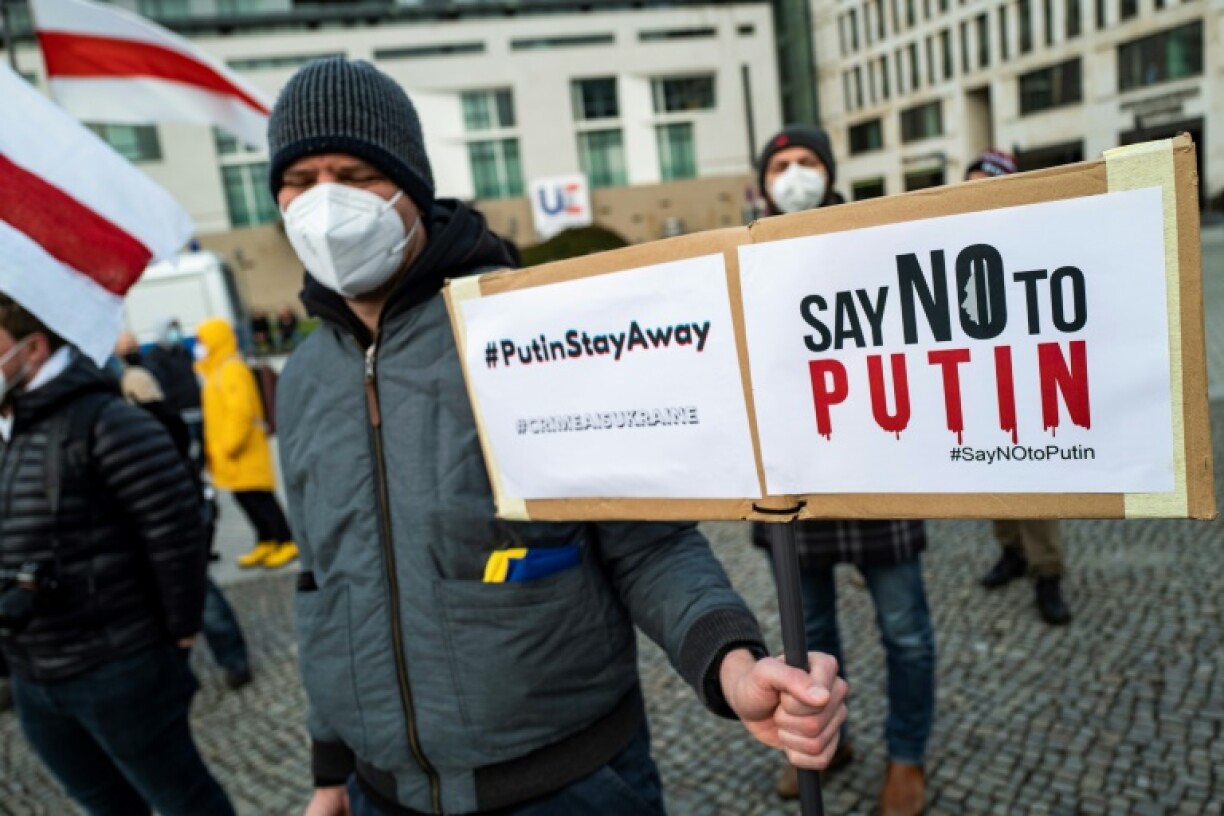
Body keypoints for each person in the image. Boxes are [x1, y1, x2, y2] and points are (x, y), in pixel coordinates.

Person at [269, 58, 848, 816]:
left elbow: (648, 541)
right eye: (300, 179)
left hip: (570, 785)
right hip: (383, 796)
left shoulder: (525, 333)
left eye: (352, 173)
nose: (325, 203)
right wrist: (329, 772)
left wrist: (730, 664)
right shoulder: (305, 377)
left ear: (411, 182)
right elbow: (322, 581)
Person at [753, 125, 936, 816]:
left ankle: (907, 757)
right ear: (763, 180)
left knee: (906, 631)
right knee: (809, 636)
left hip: (876, 469)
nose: (795, 174)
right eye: (781, 164)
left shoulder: (870, 239)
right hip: (791, 481)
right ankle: (830, 741)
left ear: (829, 174)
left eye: (807, 162)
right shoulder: (744, 251)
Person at [0, 294, 234, 815]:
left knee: (183, 800)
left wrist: (178, 633)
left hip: (119, 667)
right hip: (34, 675)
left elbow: (177, 531)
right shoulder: (9, 426)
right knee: (104, 805)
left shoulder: (106, 420)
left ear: (33, 348)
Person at [963, 149, 1073, 627]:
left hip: (1025, 383)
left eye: (982, 188)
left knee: (1033, 481)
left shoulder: (1032, 242)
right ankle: (1010, 551)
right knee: (992, 478)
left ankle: (1046, 573)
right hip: (977, 382)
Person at [112, 334, 255, 690]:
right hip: (129, 514)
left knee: (193, 585)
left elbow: (170, 439)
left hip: (162, 506)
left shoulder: (137, 388)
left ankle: (233, 658)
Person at [194, 317, 298, 569]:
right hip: (230, 453)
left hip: (241, 450)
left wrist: (229, 445)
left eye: (202, 340)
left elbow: (240, 411)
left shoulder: (231, 368)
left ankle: (286, 540)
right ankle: (266, 540)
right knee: (245, 499)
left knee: (260, 497)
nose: (199, 346)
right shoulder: (216, 369)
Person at [143, 317, 204, 466]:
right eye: (171, 330)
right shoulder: (154, 359)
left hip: (198, 411)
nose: (175, 333)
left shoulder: (184, 353)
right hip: (180, 416)